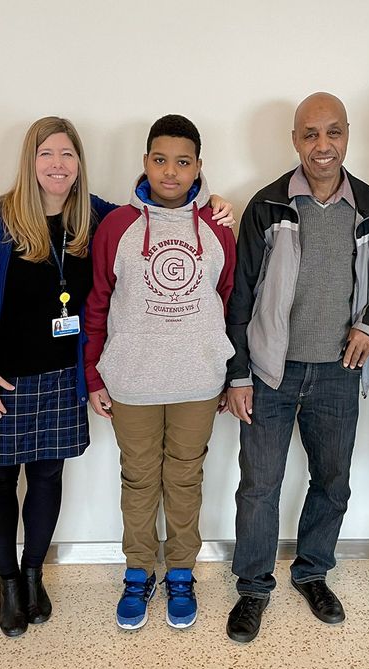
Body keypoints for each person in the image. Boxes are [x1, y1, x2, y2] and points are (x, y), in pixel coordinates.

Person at [0, 116, 236, 638]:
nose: (57, 165)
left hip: (61, 377)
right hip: (2, 376)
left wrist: (216, 206)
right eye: (46, 154)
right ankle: (10, 584)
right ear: (30, 161)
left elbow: (199, 261)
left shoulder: (96, 218)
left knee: (47, 479)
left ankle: (36, 576)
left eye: (67, 155)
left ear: (79, 164)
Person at [223, 93, 369, 643]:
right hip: (269, 374)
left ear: (348, 135)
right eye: (310, 134)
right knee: (259, 486)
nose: (322, 146)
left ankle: (312, 573)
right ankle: (253, 589)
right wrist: (237, 374)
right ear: (295, 140)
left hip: (337, 373)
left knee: (333, 482)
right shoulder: (267, 206)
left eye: (332, 133)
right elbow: (239, 295)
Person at [84, 114, 237, 632]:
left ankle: (180, 573)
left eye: (183, 162)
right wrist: (94, 376)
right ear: (145, 162)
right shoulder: (117, 227)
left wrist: (223, 367)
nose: (170, 172)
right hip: (132, 381)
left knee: (186, 478)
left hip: (197, 381)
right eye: (160, 160)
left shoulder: (218, 228)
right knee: (139, 479)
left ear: (198, 167)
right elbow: (99, 304)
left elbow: (227, 298)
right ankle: (136, 571)